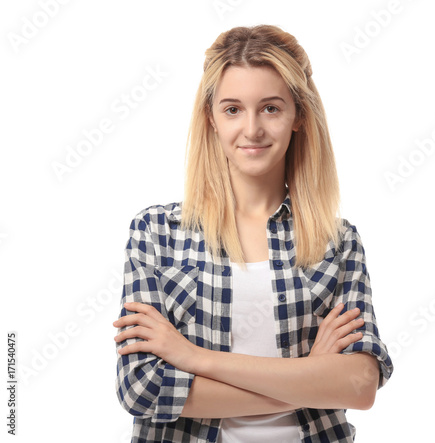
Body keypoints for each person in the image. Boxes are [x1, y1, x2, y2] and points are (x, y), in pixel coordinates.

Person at [113, 24, 393, 443]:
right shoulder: (157, 233)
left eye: (270, 108)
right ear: (210, 117)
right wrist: (309, 378)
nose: (252, 130)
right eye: (232, 109)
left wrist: (193, 357)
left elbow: (359, 386)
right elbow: (143, 389)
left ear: (298, 114)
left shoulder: (338, 241)